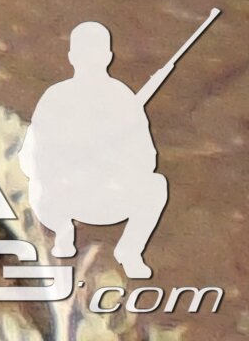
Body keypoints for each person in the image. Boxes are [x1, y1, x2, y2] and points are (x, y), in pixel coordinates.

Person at [25, 19, 173, 281]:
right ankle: (61, 233)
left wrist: (114, 160)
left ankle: (129, 250)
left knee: (155, 185)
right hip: (60, 196)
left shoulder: (122, 98)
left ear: (107, 56)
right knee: (36, 185)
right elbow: (30, 155)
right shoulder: (56, 97)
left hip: (106, 195)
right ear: (72, 57)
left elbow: (147, 158)